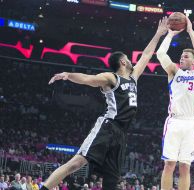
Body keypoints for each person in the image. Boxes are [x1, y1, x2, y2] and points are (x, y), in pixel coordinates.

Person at [40, 17, 169, 190]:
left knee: (111, 179)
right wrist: (69, 75)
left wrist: (158, 33)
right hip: (108, 127)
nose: (132, 61)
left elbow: (146, 54)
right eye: (128, 59)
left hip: (121, 134)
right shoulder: (111, 78)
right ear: (123, 62)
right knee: (76, 163)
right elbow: (89, 79)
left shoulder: (133, 77)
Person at [156, 16, 194, 190]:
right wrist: (169, 35)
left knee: (185, 167)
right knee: (169, 164)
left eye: (185, 57)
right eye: (181, 56)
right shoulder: (174, 71)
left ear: (193, 61)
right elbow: (160, 54)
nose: (182, 58)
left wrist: (191, 31)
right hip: (175, 121)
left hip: (191, 123)